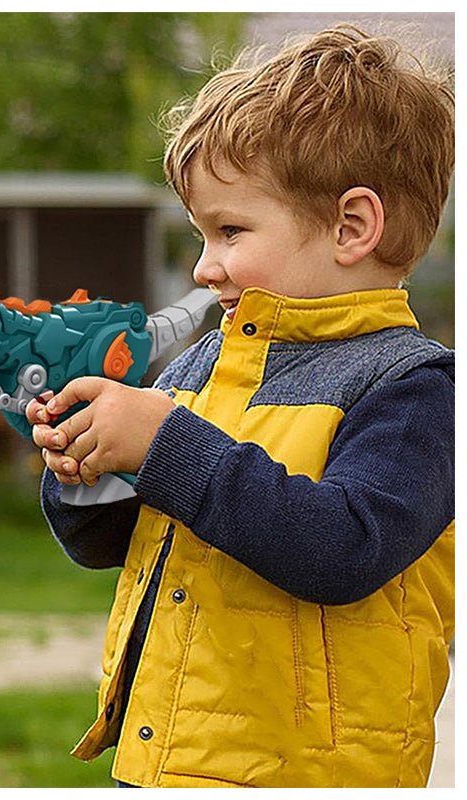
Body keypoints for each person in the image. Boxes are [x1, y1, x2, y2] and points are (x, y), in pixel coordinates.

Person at [25, 25, 454, 788]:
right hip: (169, 755)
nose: (203, 265)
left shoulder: (417, 389)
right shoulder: (203, 367)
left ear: (352, 227)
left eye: (230, 231)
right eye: (201, 233)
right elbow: (115, 544)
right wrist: (88, 465)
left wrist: (163, 444)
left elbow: (342, 549)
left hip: (311, 775)